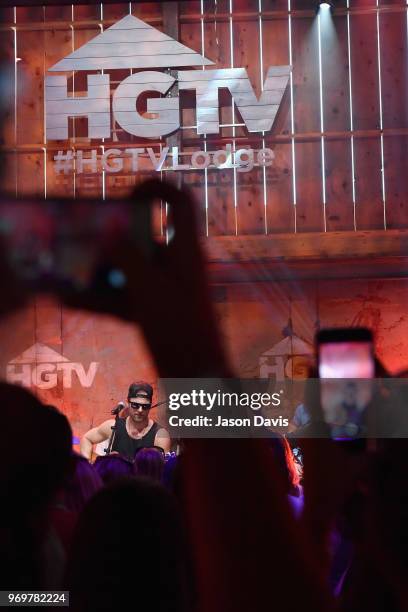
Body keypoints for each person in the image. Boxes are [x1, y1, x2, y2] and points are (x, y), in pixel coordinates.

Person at [80, 382, 170, 461]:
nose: (140, 410)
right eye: (135, 405)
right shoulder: (113, 427)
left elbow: (162, 472)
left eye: (145, 406)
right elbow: (87, 439)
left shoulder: (160, 435)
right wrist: (87, 467)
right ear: (128, 403)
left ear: (150, 406)